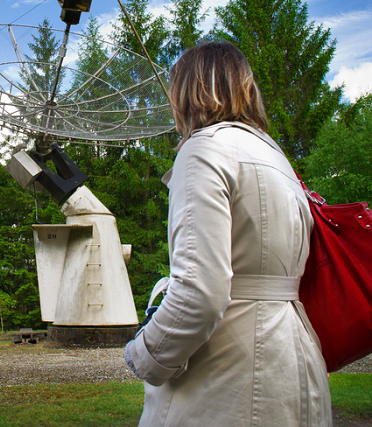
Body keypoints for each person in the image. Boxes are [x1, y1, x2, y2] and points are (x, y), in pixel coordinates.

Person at [125, 42, 331, 426]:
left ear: (187, 92)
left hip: (230, 373)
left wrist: (145, 355)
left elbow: (200, 292)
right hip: (294, 357)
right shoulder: (276, 157)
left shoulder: (203, 151)